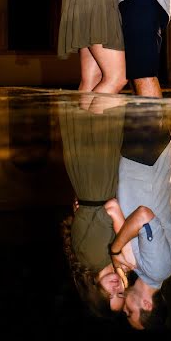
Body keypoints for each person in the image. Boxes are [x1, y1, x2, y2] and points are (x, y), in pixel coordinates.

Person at [106, 103, 171, 330]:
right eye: (130, 313)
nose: (125, 309)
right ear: (147, 304)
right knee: (145, 87)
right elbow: (143, 216)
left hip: (137, 162)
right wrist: (116, 250)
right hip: (148, 161)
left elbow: (115, 209)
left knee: (136, 91)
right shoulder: (160, 267)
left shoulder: (142, 269)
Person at [58, 94, 133, 316]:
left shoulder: (93, 258)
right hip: (96, 181)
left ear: (93, 291)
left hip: (97, 180)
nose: (115, 289)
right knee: (90, 101)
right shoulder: (107, 259)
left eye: (108, 295)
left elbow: (107, 211)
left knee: (105, 97)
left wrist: (124, 244)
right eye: (120, 294)